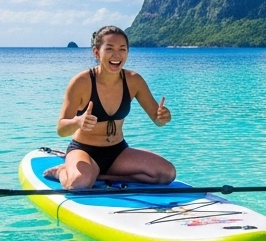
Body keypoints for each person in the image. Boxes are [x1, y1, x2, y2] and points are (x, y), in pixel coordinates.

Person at [43, 25, 175, 188]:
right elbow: (61, 129)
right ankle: (62, 171)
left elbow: (157, 119)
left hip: (118, 152)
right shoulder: (81, 83)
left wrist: (163, 117)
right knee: (78, 184)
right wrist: (78, 122)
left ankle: (100, 175)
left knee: (167, 173)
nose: (117, 55)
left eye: (122, 49)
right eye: (110, 49)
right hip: (84, 151)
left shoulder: (134, 81)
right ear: (97, 53)